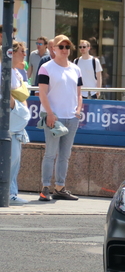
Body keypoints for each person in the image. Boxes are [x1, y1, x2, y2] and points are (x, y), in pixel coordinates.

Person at [37, 34, 83, 201]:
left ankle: (60, 187)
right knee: (50, 153)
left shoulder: (76, 68)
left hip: (71, 117)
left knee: (65, 155)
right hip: (53, 117)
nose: (64, 50)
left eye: (67, 47)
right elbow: (42, 93)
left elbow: (79, 94)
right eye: (61, 47)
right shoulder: (46, 67)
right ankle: (45, 188)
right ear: (53, 49)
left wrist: (78, 110)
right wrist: (49, 113)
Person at [8, 41, 31, 205]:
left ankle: (11, 192)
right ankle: (8, 193)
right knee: (11, 158)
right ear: (12, 53)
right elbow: (8, 96)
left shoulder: (17, 72)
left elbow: (23, 97)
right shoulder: (5, 71)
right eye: (22, 51)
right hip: (11, 120)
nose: (24, 54)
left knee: (16, 160)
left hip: (17, 122)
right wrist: (18, 109)